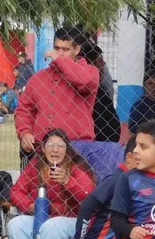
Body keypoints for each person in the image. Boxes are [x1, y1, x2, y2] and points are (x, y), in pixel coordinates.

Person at [7, 129, 96, 239]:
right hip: (43, 217)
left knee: (52, 226)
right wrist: (30, 205)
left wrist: (68, 181)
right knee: (16, 224)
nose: (55, 150)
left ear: (67, 148)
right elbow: (16, 190)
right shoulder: (36, 165)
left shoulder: (76, 165)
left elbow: (89, 195)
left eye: (60, 146)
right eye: (50, 145)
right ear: (43, 148)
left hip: (74, 220)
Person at [15, 26, 99, 156]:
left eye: (65, 49)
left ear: (77, 50)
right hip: (43, 149)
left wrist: (59, 60)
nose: (59, 53)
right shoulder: (39, 78)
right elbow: (23, 110)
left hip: (78, 149)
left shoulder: (90, 72)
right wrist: (24, 132)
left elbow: (83, 81)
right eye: (56, 48)